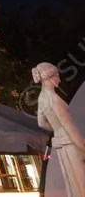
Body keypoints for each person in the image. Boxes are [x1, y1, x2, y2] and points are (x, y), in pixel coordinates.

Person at [34, 62, 85, 196]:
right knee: (80, 182)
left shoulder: (42, 98)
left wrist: (57, 130)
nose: (59, 79)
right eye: (57, 76)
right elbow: (69, 126)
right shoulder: (54, 99)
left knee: (72, 182)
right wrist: (82, 146)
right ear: (49, 77)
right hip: (70, 143)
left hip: (61, 142)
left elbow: (41, 123)